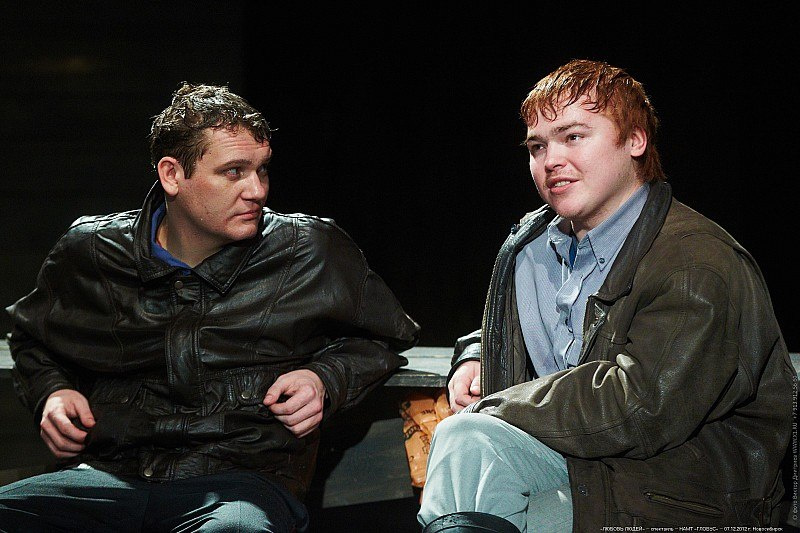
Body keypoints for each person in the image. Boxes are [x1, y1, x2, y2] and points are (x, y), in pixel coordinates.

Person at [0, 82, 419, 532]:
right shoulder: (94, 251)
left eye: (262, 170)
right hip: (108, 477)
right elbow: (31, 337)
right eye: (234, 172)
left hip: (242, 483)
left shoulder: (308, 249)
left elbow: (384, 336)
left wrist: (324, 377)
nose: (256, 190)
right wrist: (52, 392)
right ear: (172, 175)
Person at [417, 59, 793, 532]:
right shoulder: (531, 248)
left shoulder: (696, 263)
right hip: (578, 463)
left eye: (573, 137)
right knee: (467, 446)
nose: (550, 160)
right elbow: (559, 328)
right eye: (538, 146)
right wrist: (477, 353)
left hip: (682, 495)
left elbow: (638, 406)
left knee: (477, 454)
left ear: (635, 140)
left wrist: (499, 403)